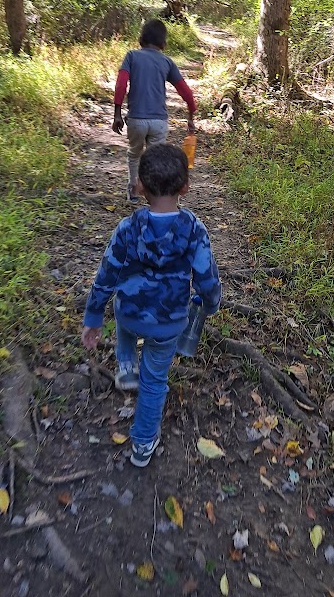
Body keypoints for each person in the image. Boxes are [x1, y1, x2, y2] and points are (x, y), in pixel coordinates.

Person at [81, 144, 221, 467]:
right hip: (169, 323)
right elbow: (207, 279)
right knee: (155, 380)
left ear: (140, 185)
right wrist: (210, 305)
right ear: (185, 186)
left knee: (120, 302)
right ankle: (143, 444)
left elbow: (106, 275)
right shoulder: (194, 230)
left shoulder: (127, 229)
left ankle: (126, 360)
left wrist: (93, 316)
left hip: (130, 315)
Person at [112, 18, 197, 204]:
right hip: (159, 122)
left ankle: (134, 191)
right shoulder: (167, 62)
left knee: (134, 154)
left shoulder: (132, 56)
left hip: (136, 119)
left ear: (141, 38)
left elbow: (120, 84)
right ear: (164, 43)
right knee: (156, 158)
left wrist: (117, 113)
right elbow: (186, 93)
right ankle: (157, 196)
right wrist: (191, 116)